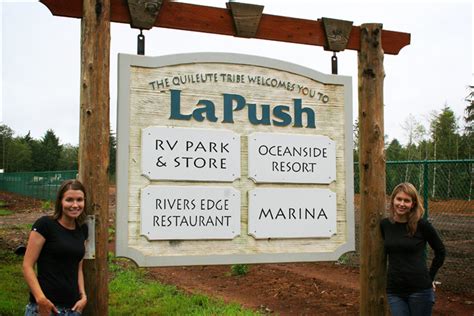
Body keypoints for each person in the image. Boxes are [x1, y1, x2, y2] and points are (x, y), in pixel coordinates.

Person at [22, 179, 88, 316]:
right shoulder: (45, 225)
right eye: (69, 200)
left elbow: (78, 267)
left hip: (73, 309)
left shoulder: (82, 229)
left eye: (79, 200)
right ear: (60, 201)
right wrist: (41, 300)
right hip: (45, 309)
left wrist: (83, 296)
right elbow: (27, 266)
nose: (75, 205)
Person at [380, 182, 446, 316]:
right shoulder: (385, 225)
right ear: (393, 200)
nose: (402, 204)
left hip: (420, 290)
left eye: (407, 201)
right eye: (399, 199)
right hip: (395, 291)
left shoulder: (422, 225)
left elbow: (440, 251)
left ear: (413, 204)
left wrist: (430, 277)